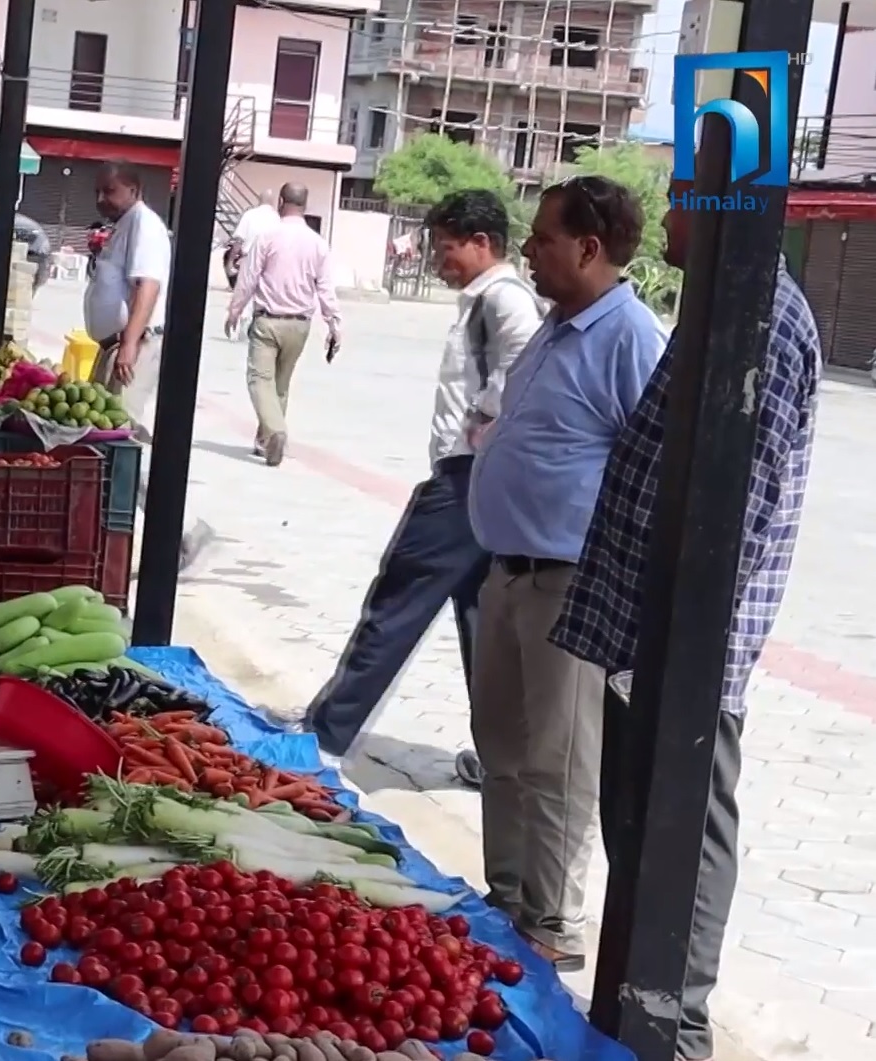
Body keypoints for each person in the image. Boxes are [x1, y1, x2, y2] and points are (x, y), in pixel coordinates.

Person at [551, 178, 820, 1061]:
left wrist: (683, 637)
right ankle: (628, 999)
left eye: (674, 204)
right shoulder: (717, 305)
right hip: (645, 629)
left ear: (719, 210)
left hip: (689, 639)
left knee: (686, 822)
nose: (659, 221)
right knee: (633, 815)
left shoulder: (764, 320)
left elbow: (742, 498)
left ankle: (678, 1023)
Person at [466, 175, 667, 971]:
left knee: (557, 756)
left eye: (543, 238)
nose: (528, 250)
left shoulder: (630, 337)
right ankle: (508, 896)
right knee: (502, 744)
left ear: (588, 248)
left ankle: (550, 920)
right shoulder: (556, 326)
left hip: (570, 580)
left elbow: (648, 464)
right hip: (507, 571)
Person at [303, 190, 541, 767]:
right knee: (483, 631)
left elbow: (524, 367)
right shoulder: (484, 299)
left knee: (396, 603)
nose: (439, 261)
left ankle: (324, 737)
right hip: (483, 484)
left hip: (465, 483)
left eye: (448, 248)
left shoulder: (505, 301)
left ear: (483, 243)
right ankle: (503, 759)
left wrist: (485, 416)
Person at [83, 160, 212, 570]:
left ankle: (182, 529)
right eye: (100, 192)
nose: (103, 199)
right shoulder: (124, 227)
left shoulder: (145, 226)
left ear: (135, 191)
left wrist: (129, 344)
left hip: (134, 346)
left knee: (120, 442)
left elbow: (148, 287)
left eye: (111, 191)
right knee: (107, 437)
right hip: (116, 345)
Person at [224, 184, 342, 467]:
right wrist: (334, 324)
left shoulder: (268, 237)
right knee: (280, 385)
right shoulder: (317, 244)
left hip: (268, 321)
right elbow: (325, 288)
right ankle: (265, 441)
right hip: (300, 325)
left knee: (259, 379)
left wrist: (234, 310)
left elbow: (249, 278)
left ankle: (275, 432)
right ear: (305, 204)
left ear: (281, 202)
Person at [223, 189, 280, 337]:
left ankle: (240, 326)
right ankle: (255, 328)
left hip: (248, 259)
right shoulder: (277, 219)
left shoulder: (249, 215)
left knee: (244, 293)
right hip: (269, 263)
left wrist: (230, 262)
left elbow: (238, 240)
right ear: (273, 201)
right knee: (262, 296)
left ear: (259, 199)